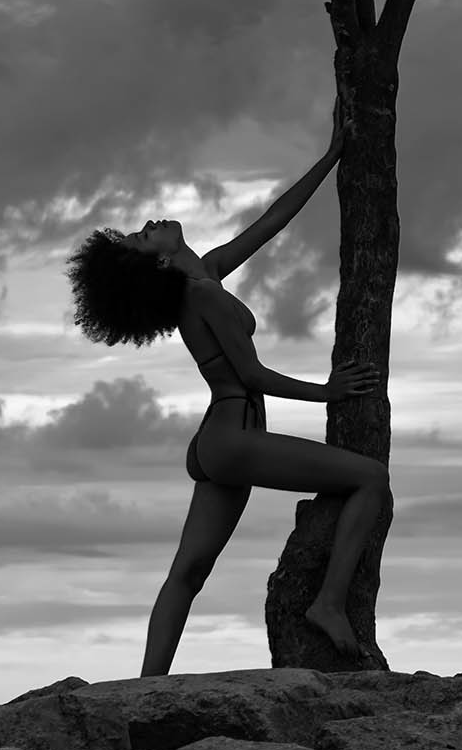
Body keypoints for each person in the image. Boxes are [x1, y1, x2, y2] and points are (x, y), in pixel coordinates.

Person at [63, 123, 390, 675]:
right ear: (159, 263)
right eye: (142, 238)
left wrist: (332, 156)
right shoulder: (200, 295)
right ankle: (328, 603)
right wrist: (327, 394)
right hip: (235, 435)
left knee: (188, 572)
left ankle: (148, 684)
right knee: (370, 478)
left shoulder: (208, 272)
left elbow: (272, 221)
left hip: (221, 439)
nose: (148, 225)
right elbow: (253, 375)